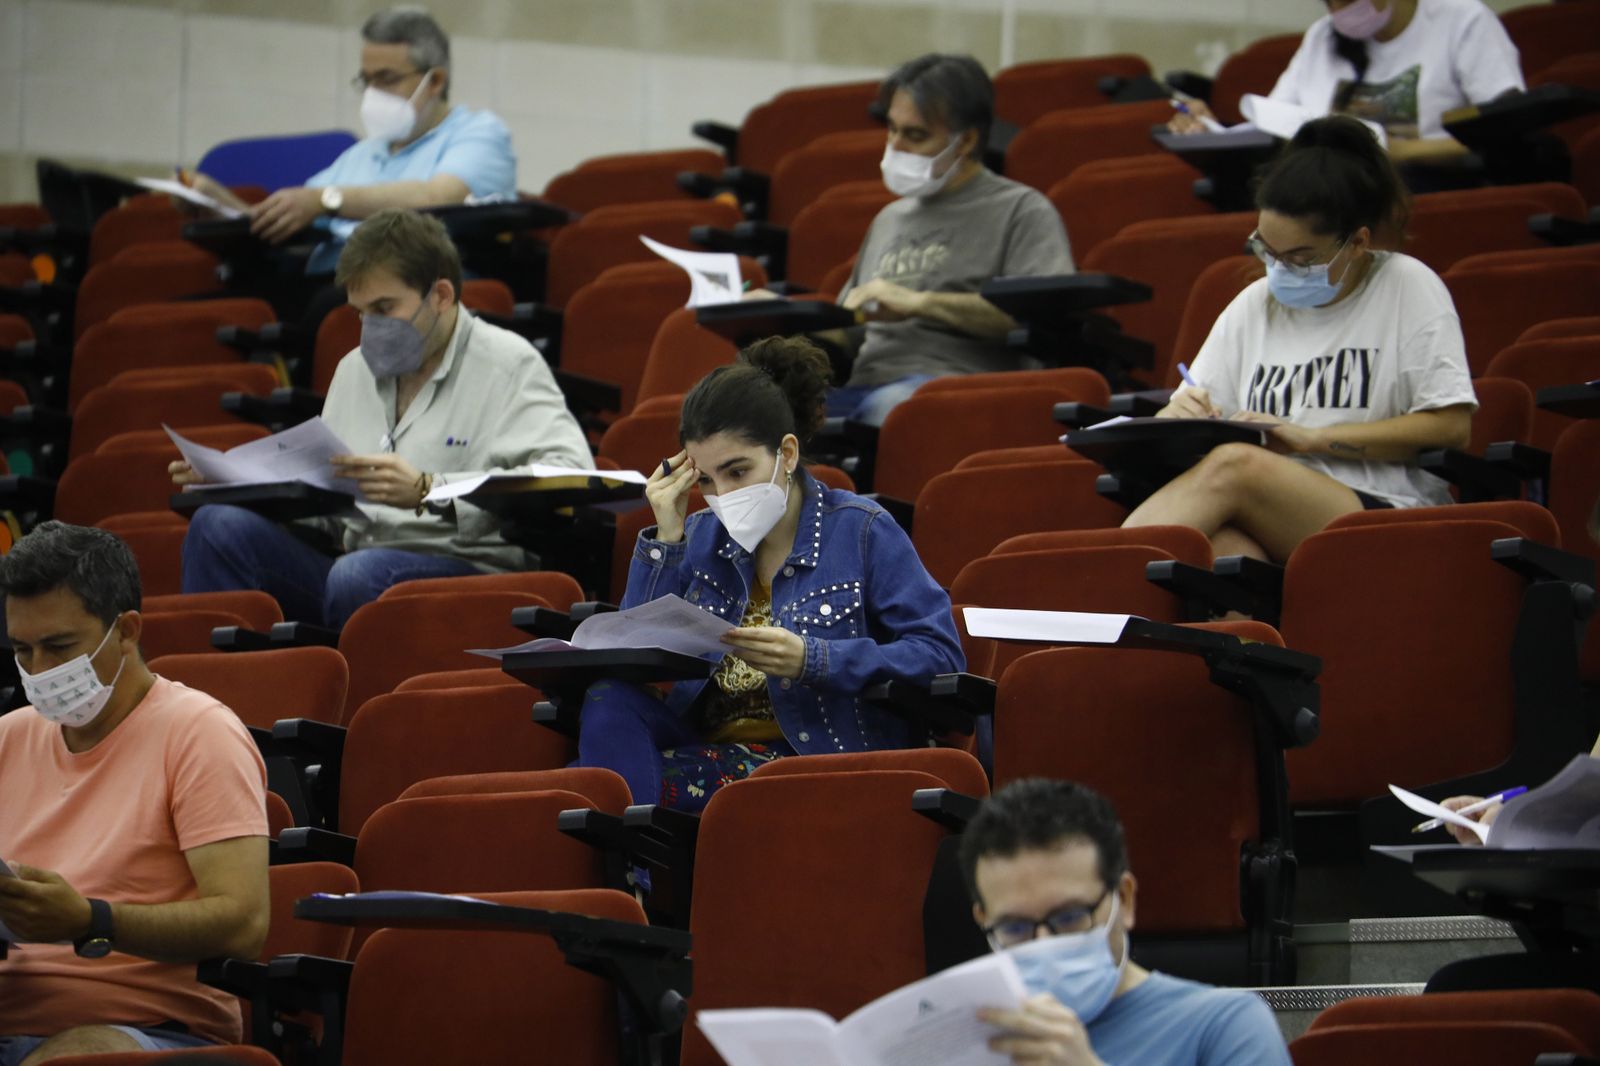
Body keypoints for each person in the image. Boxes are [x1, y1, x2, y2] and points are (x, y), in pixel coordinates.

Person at [576, 336, 965, 809]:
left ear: (788, 453)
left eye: (737, 472)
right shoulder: (695, 537)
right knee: (608, 701)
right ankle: (631, 842)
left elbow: (940, 656)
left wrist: (814, 659)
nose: (722, 494)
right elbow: (631, 658)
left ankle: (628, 845)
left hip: (811, 754)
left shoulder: (862, 530)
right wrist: (667, 539)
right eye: (705, 479)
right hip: (704, 746)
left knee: (583, 794)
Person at [175, 209, 589, 628]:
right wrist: (240, 484)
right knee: (216, 526)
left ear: (441, 295)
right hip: (352, 566)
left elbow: (569, 474)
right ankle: (214, 675)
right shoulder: (352, 370)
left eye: (384, 308)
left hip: (470, 571)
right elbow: (326, 503)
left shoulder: (509, 363)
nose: (369, 327)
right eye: (360, 312)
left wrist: (430, 490)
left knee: (356, 574)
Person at [1121, 116, 1475, 562]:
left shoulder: (1407, 284)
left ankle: (1105, 580)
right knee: (1220, 552)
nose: (1279, 269)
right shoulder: (1254, 303)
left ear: (1357, 242)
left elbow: (1451, 427)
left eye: (1300, 258)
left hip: (1384, 508)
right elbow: (1196, 410)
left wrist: (1311, 439)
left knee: (1235, 465)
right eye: (1267, 251)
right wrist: (1180, 416)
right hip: (1270, 514)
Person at [0, 523, 270, 1063]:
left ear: (126, 631)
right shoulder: (7, 738)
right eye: (22, 650)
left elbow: (244, 924)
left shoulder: (198, 732)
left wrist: (92, 921)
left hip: (148, 1030)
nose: (39, 671)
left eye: (59, 647)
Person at [962, 779, 1291, 1066]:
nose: (1044, 943)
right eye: (1015, 927)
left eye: (1070, 917)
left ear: (1125, 899)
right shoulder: (964, 1041)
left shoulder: (1224, 1026)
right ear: (983, 920)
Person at [822, 53, 1075, 426]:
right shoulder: (888, 219)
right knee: (765, 419)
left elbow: (1040, 317)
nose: (895, 146)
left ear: (966, 139)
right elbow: (850, 329)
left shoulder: (1022, 210)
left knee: (891, 409)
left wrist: (920, 303)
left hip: (952, 389)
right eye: (892, 129)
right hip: (864, 387)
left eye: (915, 135)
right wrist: (775, 318)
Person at [187, 5, 515, 274]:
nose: (373, 92)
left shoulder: (479, 133)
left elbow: (439, 198)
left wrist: (326, 200)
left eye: (386, 78)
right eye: (367, 80)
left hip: (407, 290)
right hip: (324, 283)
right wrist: (218, 205)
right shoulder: (361, 154)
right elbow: (292, 215)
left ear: (435, 81)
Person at [1168, 0, 1524, 167]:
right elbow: (1275, 125)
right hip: (1325, 198)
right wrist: (1214, 130)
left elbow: (1506, 134)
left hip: (1423, 190)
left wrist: (1398, 152)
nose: (1339, 10)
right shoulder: (1322, 37)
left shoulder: (1462, 21)